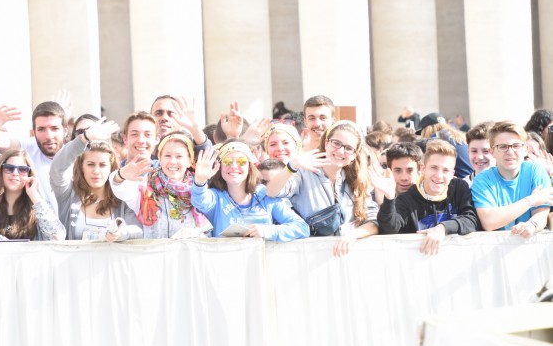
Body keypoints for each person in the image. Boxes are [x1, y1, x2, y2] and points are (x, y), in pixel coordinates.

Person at [266, 120, 379, 256]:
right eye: (336, 143)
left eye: (349, 148)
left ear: (354, 155)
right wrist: (292, 166)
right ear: (326, 143)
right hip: (308, 258)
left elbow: (373, 221)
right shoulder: (303, 173)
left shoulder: (357, 181)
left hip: (347, 259)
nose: (341, 151)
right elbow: (272, 191)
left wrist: (352, 236)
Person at [191, 139, 309, 242]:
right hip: (226, 262)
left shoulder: (264, 195)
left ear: (250, 167)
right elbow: (199, 201)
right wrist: (200, 181)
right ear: (220, 166)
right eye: (227, 161)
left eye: (241, 161)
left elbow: (302, 227)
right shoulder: (215, 197)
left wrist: (268, 231)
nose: (234, 166)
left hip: (261, 264)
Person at [377, 140, 480, 255]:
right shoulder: (407, 199)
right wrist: (389, 198)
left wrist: (442, 228)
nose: (439, 175)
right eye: (434, 168)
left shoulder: (459, 188)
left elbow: (472, 219)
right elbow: (390, 229)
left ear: (452, 173)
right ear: (423, 169)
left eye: (445, 170)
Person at [50, 119, 140, 240]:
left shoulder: (122, 197)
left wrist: (122, 233)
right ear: (81, 167)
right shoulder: (68, 194)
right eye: (90, 164)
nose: (96, 171)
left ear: (111, 168)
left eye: (102, 165)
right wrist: (84, 138)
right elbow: (57, 167)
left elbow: (138, 230)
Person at [111, 131, 212, 239]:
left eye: (179, 156)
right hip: (153, 253)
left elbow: (207, 231)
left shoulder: (198, 190)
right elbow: (121, 189)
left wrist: (194, 234)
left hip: (187, 254)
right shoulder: (146, 185)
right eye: (167, 156)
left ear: (189, 161)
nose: (173, 161)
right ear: (160, 158)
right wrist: (120, 175)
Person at [471, 121, 553, 236]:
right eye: (502, 147)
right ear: (492, 152)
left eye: (516, 146)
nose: (510, 152)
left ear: (525, 149)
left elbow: (541, 214)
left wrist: (531, 225)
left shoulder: (536, 170)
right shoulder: (482, 180)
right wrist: (530, 201)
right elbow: (489, 222)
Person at [0, 101, 68, 212]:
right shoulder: (29, 148)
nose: (48, 136)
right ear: (34, 132)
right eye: (41, 129)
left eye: (54, 128)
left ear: (65, 131)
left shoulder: (78, 156)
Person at [0, 149, 65, 241]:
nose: (15, 173)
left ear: (29, 174)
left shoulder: (39, 205)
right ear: (1, 171)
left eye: (22, 170)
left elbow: (58, 237)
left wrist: (34, 195)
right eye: (9, 168)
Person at [416, 112, 472, 179]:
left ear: (426, 130)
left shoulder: (439, 139)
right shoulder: (457, 137)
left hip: (463, 183)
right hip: (473, 180)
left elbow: (419, 145)